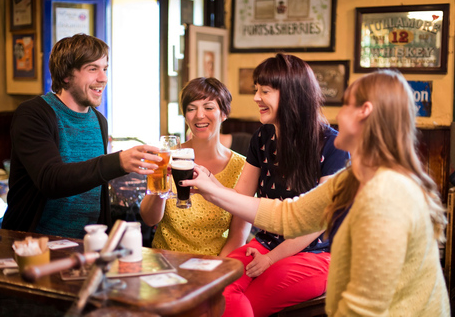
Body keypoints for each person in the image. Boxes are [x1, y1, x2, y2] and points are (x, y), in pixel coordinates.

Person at [182, 70, 450, 316]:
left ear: (364, 112)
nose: (333, 116)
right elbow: (289, 216)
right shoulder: (350, 178)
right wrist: (211, 187)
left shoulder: (386, 195)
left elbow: (364, 308)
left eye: (345, 104)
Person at [199, 54, 349, 317]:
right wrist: (206, 181)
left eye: (265, 91)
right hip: (265, 243)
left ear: (291, 95)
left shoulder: (333, 146)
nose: (256, 97)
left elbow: (318, 221)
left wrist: (271, 259)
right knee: (213, 290)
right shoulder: (263, 136)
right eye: (257, 90)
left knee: (248, 304)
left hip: (318, 254)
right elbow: (240, 198)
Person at [2, 34, 162, 239]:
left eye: (105, 68)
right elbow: (51, 180)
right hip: (35, 246)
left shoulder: (99, 121)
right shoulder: (34, 114)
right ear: (66, 75)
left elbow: (95, 184)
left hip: (87, 247)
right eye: (92, 69)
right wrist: (118, 162)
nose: (103, 78)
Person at [140, 77, 248, 256]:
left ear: (224, 113)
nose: (199, 115)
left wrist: (214, 272)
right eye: (191, 109)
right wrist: (161, 181)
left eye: (208, 107)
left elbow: (238, 236)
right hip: (166, 262)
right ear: (185, 116)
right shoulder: (166, 157)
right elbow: (149, 219)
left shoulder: (243, 167)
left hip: (217, 265)